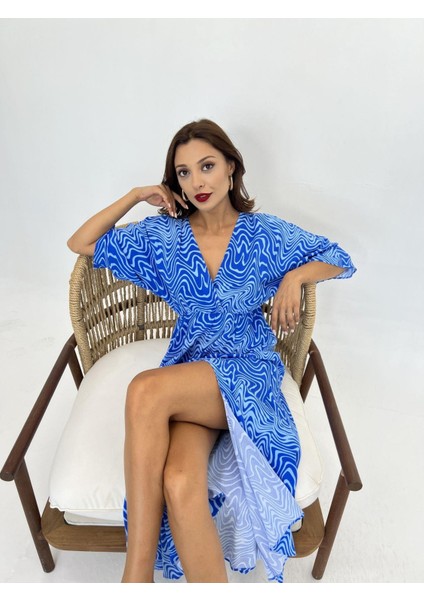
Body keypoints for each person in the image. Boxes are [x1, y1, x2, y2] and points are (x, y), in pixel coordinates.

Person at [67, 118, 356, 583]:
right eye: (184, 173)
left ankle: (135, 578)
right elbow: (80, 242)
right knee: (180, 482)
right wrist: (136, 195)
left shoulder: (264, 235)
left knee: (144, 390)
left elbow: (339, 258)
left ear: (231, 168)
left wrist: (295, 275)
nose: (197, 182)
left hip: (247, 373)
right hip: (192, 377)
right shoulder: (164, 238)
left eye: (207, 166)